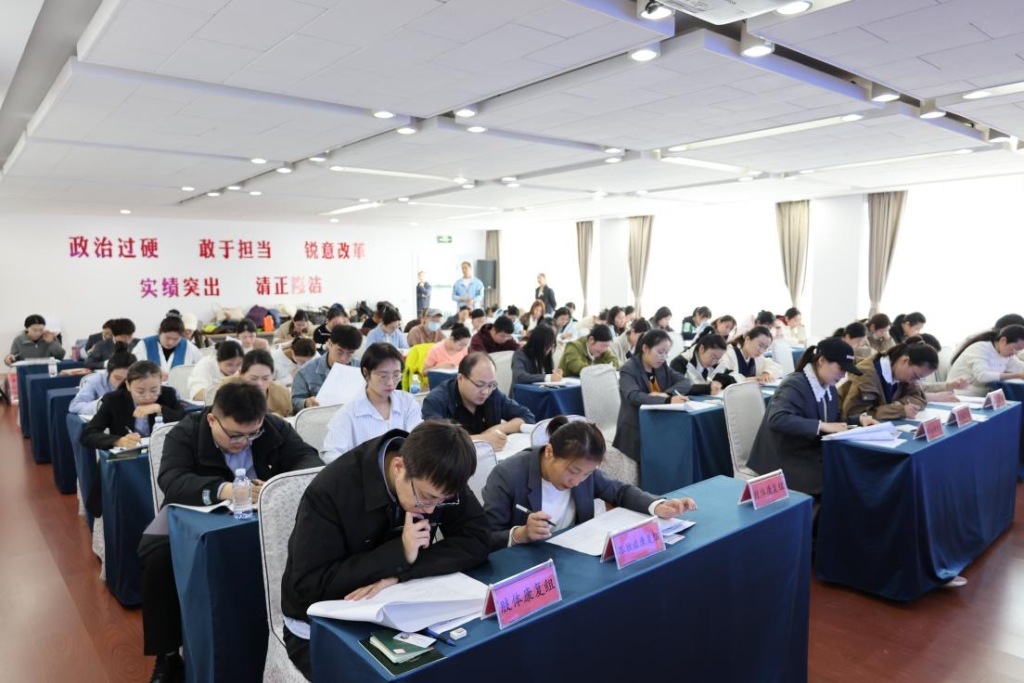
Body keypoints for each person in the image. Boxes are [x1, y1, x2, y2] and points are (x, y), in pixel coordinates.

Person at [280, 421, 490, 679]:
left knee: (467, 665)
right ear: (399, 466)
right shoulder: (331, 490)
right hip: (321, 629)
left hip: (401, 612)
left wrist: (401, 571)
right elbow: (309, 586)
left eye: (443, 500)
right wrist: (399, 553)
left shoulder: (438, 471)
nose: (432, 509)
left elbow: (477, 538)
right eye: (426, 498)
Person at [141, 382, 321, 681]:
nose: (245, 442)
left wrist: (278, 485)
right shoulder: (186, 433)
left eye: (253, 434)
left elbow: (309, 460)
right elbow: (172, 480)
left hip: (262, 515)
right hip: (195, 515)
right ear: (212, 419)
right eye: (236, 435)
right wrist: (225, 489)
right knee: (157, 560)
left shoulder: (272, 427)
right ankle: (168, 656)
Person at [482, 417, 697, 550]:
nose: (577, 482)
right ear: (549, 452)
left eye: (586, 475)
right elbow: (486, 537)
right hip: (528, 566)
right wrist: (520, 534)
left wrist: (658, 505)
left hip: (572, 554)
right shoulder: (507, 475)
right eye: (573, 471)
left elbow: (620, 491)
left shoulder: (585, 471)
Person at [747, 338, 875, 497]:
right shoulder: (794, 384)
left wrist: (858, 421)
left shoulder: (829, 388)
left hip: (808, 454)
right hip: (785, 460)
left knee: (853, 472)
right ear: (822, 361)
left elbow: (832, 422)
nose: (843, 375)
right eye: (841, 368)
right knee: (841, 480)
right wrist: (821, 425)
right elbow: (777, 419)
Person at [322, 343, 423, 462]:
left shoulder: (407, 403)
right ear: (366, 373)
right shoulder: (348, 413)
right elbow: (331, 454)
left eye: (396, 375)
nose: (391, 383)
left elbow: (418, 441)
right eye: (383, 376)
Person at [422, 352, 535, 452]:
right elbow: (434, 440)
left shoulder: (493, 394)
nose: (485, 392)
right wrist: (481, 440)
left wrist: (496, 429)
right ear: (460, 379)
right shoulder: (437, 400)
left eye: (490, 385)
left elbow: (527, 416)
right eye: (479, 385)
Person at [613, 329, 692, 463]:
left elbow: (685, 382)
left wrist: (666, 394)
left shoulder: (661, 366)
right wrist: (667, 400)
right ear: (645, 348)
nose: (663, 357)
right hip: (636, 426)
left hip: (658, 421)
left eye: (666, 353)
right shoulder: (629, 368)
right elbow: (634, 396)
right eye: (660, 352)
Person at [80, 360, 185, 451]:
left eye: (154, 390)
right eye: (140, 392)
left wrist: (160, 409)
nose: (147, 397)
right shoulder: (114, 400)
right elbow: (88, 435)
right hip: (128, 457)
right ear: (128, 385)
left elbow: (185, 421)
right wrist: (119, 441)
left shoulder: (168, 394)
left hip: (163, 453)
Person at [839, 339, 936, 421]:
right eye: (915, 375)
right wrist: (898, 410)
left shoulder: (904, 375)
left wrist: (898, 404)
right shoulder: (866, 376)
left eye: (919, 378)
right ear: (905, 360)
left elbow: (919, 399)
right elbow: (852, 417)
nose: (913, 381)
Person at [292, 325, 364, 412]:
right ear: (329, 344)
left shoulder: (362, 369)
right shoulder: (305, 372)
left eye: (350, 354)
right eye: (339, 352)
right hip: (320, 416)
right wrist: (306, 403)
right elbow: (295, 402)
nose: (343, 358)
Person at [946, 324, 1024, 396]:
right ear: (1003, 341)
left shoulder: (1005, 354)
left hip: (982, 395)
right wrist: (1017, 375)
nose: (1015, 353)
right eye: (1015, 348)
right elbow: (982, 376)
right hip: (961, 394)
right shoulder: (980, 348)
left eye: (1019, 350)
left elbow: (1020, 366)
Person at [221, 349, 293, 417]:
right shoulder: (227, 388)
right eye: (253, 378)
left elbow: (290, 419)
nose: (259, 383)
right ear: (241, 374)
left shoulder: (283, 394)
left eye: (265, 378)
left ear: (272, 375)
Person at [70, 345, 136, 415]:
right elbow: (75, 406)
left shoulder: (140, 380)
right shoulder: (96, 381)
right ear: (108, 373)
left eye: (128, 379)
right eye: (117, 378)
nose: (123, 383)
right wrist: (100, 405)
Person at [131, 316, 202, 379]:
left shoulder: (188, 346)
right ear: (160, 332)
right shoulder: (144, 345)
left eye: (176, 339)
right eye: (167, 338)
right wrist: (150, 372)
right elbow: (132, 369)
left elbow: (202, 367)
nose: (171, 342)